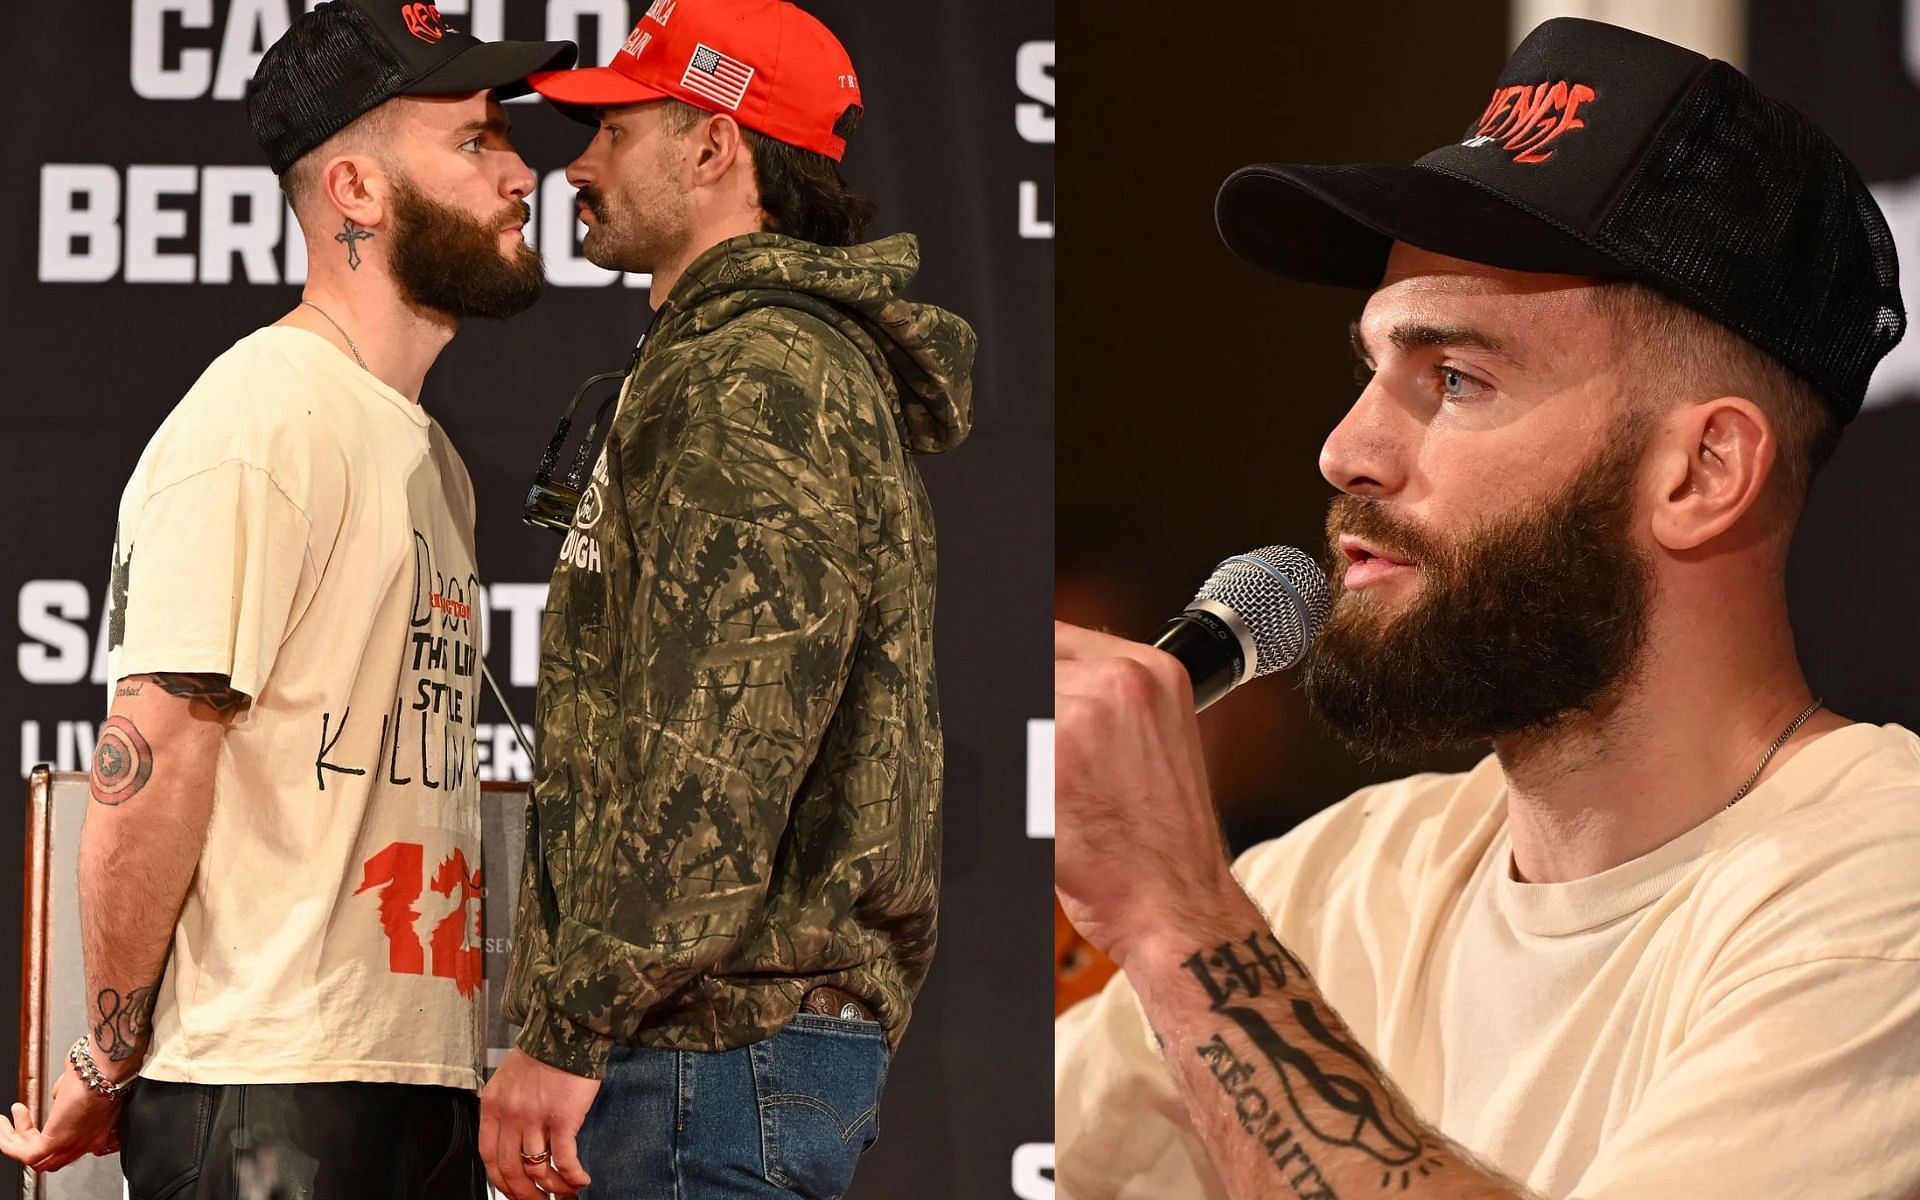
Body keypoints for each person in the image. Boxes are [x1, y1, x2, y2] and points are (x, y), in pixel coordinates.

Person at [1055, 17, 1920, 1200]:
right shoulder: (1333, 886)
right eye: (1369, 370)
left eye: (1454, 378)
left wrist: (1172, 923)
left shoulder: (1882, 888)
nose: (1346, 449)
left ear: (1703, 471)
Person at [0, 3, 573, 1195]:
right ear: (356, 189)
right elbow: (148, 756)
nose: (523, 169)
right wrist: (107, 1061)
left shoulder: (423, 453)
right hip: (268, 1092)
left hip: (403, 1080)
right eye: (474, 141)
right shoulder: (260, 419)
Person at [477, 2, 975, 1197]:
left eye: (611, 130)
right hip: (709, 1047)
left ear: (713, 147)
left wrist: (572, 1025)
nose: (575, 166)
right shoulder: (735, 361)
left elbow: (725, 747)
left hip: (703, 1054)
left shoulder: (757, 373)